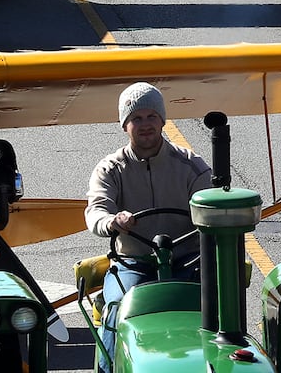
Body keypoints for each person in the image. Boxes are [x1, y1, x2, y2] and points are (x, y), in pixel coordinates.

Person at [85, 82, 211, 373]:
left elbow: (212, 207)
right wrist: (112, 222)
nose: (145, 125)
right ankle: (107, 369)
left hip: (187, 262)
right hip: (135, 263)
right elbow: (96, 211)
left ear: (162, 120)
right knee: (116, 308)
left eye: (151, 117)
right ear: (124, 125)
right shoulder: (110, 169)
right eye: (136, 119)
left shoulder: (191, 166)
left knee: (220, 306)